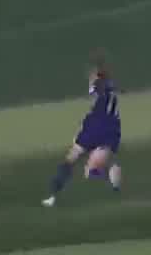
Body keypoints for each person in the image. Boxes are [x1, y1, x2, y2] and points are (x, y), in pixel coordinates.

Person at [43, 57, 122, 207]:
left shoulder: (99, 86)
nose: (90, 78)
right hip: (109, 128)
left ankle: (53, 195)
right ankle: (111, 176)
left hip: (97, 127)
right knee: (89, 166)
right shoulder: (110, 87)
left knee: (74, 161)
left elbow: (97, 92)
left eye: (92, 75)